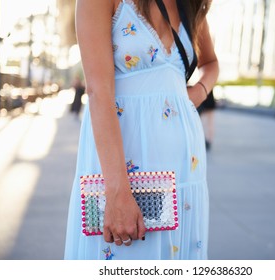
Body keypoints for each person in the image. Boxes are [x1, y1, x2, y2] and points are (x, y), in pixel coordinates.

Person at [64, 0, 219, 260]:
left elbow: (211, 63)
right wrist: (117, 191)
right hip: (124, 169)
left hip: (185, 169)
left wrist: (196, 94)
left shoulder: (190, 5)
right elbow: (98, 92)